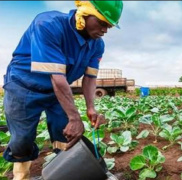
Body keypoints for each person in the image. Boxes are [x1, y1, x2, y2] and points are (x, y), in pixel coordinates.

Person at [3, 1, 123, 180]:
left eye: (109, 26)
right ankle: (21, 176)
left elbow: (90, 78)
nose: (105, 30)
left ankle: (63, 172)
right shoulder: (48, 24)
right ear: (85, 13)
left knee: (67, 134)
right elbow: (56, 77)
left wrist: (91, 108)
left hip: (57, 92)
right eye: (102, 22)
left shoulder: (97, 45)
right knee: (21, 140)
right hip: (23, 88)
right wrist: (75, 117)